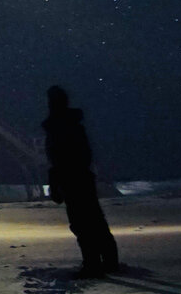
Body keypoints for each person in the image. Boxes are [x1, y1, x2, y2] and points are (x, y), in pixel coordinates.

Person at [43, 85, 119, 276]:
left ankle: (94, 263)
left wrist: (59, 177)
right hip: (79, 178)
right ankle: (105, 261)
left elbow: (62, 158)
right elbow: (82, 155)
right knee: (93, 220)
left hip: (73, 179)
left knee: (83, 222)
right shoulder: (70, 126)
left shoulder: (60, 128)